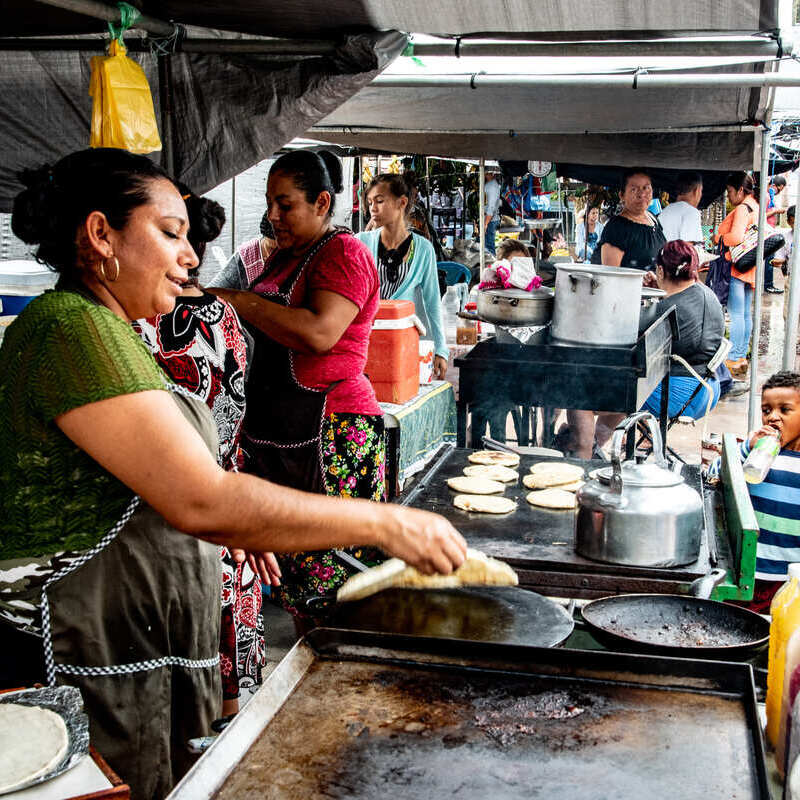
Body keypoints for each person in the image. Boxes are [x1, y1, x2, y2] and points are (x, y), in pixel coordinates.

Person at [0, 148, 466, 799]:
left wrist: (240, 521)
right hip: (66, 643)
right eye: (170, 233)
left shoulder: (108, 326)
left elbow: (155, 477)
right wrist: (387, 520)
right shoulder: (75, 330)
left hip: (113, 634)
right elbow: (202, 498)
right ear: (101, 234)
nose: (191, 258)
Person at [209, 151, 411, 624]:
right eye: (269, 204)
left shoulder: (343, 254)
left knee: (334, 577)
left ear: (322, 202)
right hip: (284, 436)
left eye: (286, 205)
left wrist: (240, 300)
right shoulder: (286, 257)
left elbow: (320, 333)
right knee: (300, 578)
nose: (272, 216)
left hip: (331, 434)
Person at [132, 186, 272, 718]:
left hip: (175, 523)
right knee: (226, 712)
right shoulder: (227, 317)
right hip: (228, 516)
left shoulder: (138, 323)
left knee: (179, 709)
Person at [594, 241, 724, 447]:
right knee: (624, 388)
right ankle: (600, 445)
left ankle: (580, 451)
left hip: (679, 395)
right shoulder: (706, 293)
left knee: (586, 395)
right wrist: (662, 288)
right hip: (708, 388)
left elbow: (621, 332)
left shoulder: (669, 309)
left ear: (661, 270)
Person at [707, 371, 800, 612]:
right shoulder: (759, 454)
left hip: (789, 578)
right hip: (748, 574)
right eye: (767, 410)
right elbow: (716, 473)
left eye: (785, 410)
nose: (773, 418)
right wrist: (747, 447)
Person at [356, 173, 448, 379]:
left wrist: (441, 349)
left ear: (402, 202)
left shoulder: (423, 249)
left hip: (403, 341)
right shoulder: (361, 242)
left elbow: (432, 302)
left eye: (380, 201)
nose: (373, 208)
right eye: (370, 202)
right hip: (365, 340)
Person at [714, 171, 759, 378]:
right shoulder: (755, 206)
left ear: (740, 190)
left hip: (737, 267)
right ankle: (741, 354)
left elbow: (736, 237)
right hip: (750, 267)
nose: (729, 197)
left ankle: (734, 355)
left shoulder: (742, 208)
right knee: (744, 313)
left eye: (730, 191)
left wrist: (718, 237)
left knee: (736, 313)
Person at [591, 168, 666, 270]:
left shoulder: (653, 219)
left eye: (646, 188)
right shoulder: (616, 228)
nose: (642, 194)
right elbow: (611, 275)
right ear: (622, 195)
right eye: (634, 189)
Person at [214, 208, 277, 291]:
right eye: (271, 249)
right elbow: (214, 291)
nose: (277, 254)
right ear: (263, 238)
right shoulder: (248, 256)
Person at [658, 171, 704, 245]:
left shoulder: (665, 211)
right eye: (701, 191)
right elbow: (687, 247)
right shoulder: (691, 212)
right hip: (678, 256)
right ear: (697, 191)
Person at [483, 167, 502, 256]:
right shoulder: (489, 184)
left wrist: (486, 223)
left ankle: (491, 264)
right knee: (486, 246)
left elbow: (491, 206)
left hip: (490, 220)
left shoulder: (492, 186)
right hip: (488, 219)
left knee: (489, 247)